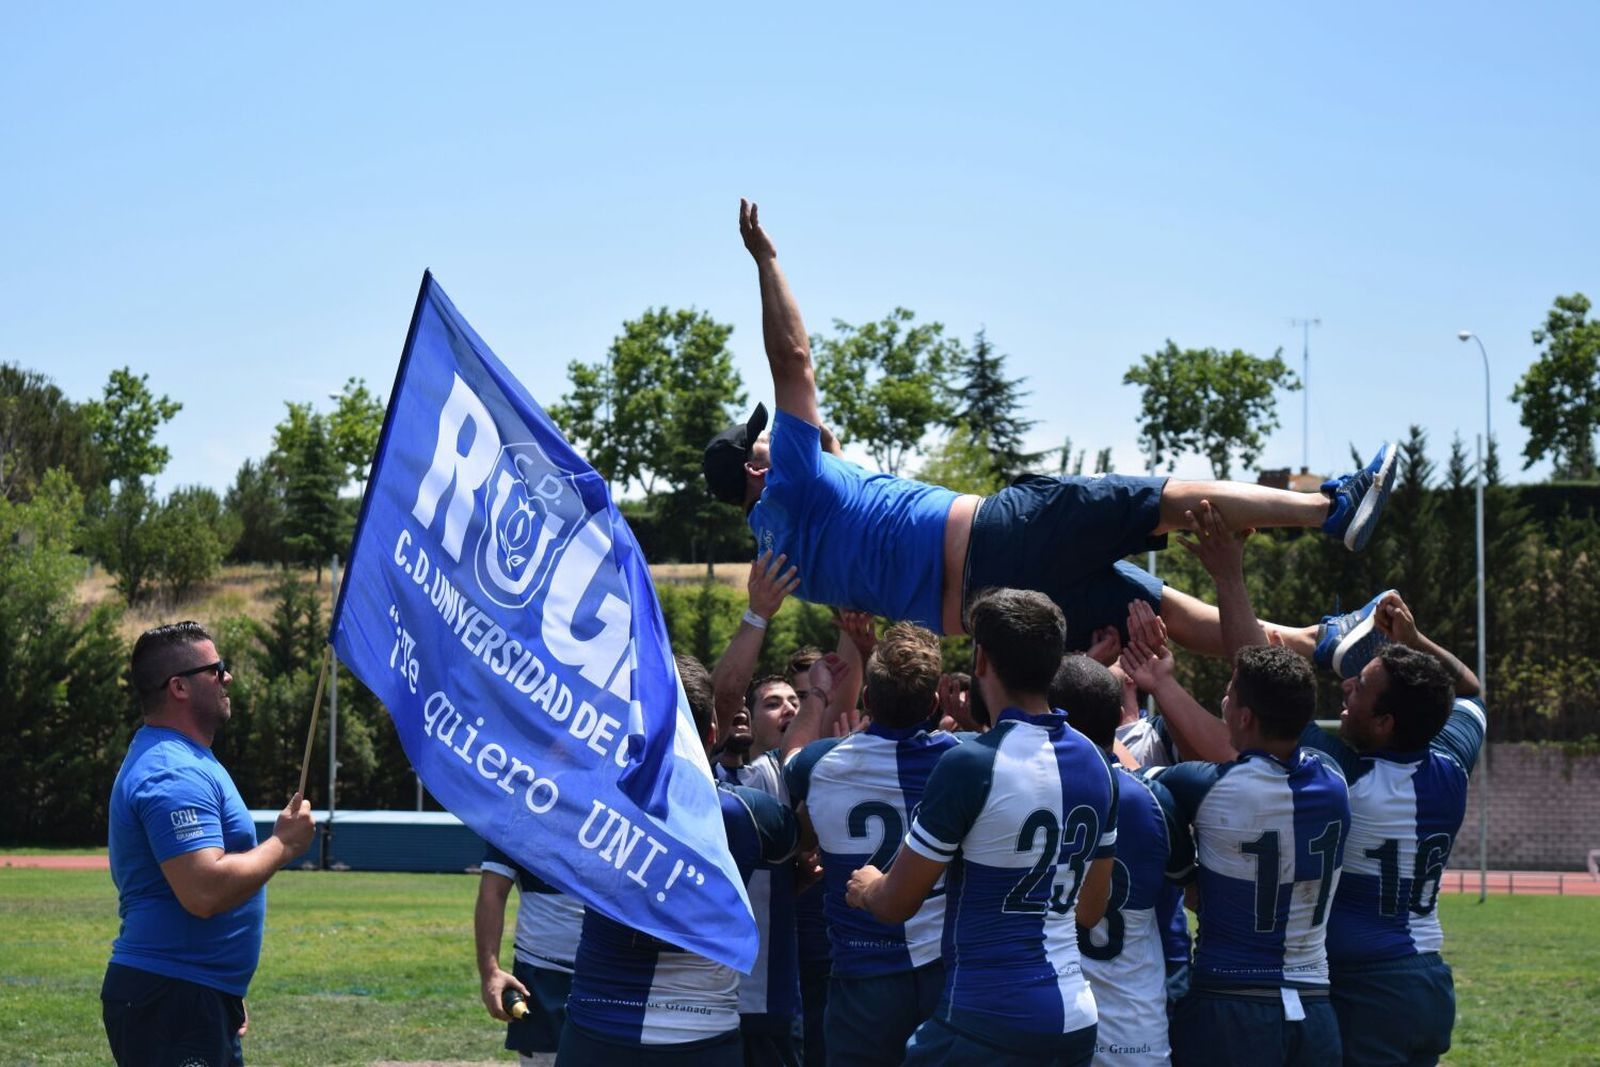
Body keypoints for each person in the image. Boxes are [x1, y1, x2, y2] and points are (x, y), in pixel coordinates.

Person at [704, 198, 1397, 659]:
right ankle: (1331, 508)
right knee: (1165, 499)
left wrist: (829, 449)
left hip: (991, 609)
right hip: (999, 533)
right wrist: (766, 260)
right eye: (761, 437)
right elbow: (792, 361)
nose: (773, 434)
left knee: (1160, 615)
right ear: (757, 469)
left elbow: (859, 512)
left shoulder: (778, 551)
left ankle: (1318, 642)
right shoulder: (789, 482)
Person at [847, 588, 1119, 1066]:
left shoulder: (970, 763)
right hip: (1075, 1018)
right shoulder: (1097, 763)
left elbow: (896, 904)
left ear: (981, 661)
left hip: (986, 1017)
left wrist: (869, 887)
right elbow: (1090, 909)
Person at [1119, 546, 1351, 1066]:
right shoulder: (1333, 779)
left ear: (1244, 717)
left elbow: (1142, 788)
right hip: (1315, 1007)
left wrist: (1132, 689)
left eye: (1228, 694)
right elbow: (1244, 756)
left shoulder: (1206, 786)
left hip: (1231, 1003)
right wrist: (1165, 684)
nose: (1224, 701)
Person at [557, 655, 808, 1067]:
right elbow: (808, 831)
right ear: (713, 733)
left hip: (596, 1027)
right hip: (700, 1035)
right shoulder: (746, 815)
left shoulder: (586, 803)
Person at [102, 621, 315, 1067]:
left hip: (190, 992)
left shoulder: (187, 759)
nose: (227, 677)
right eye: (216, 669)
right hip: (173, 997)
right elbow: (204, 890)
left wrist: (222, 982)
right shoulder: (171, 772)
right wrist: (284, 845)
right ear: (178, 687)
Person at [786, 622, 962, 1065]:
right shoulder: (964, 759)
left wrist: (823, 699)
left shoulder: (816, 764)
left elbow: (791, 760)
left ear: (867, 699)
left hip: (861, 975)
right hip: (945, 972)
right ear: (935, 702)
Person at [1054, 655, 1184, 1066]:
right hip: (1135, 1031)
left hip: (1052, 1019)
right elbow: (1182, 895)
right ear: (1118, 719)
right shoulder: (1152, 799)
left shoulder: (1032, 792)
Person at [476, 840, 584, 1064]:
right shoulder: (521, 813)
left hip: (614, 971)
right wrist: (490, 971)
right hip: (543, 972)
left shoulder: (625, 811)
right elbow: (493, 892)